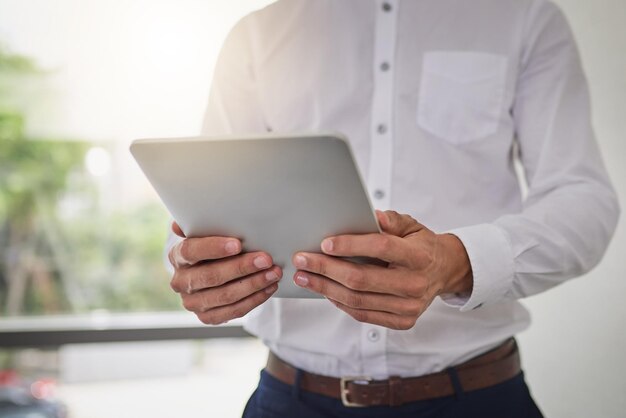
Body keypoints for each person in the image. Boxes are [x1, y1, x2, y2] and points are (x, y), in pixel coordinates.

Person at [166, 0, 620, 416]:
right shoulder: (256, 36)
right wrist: (201, 265)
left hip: (480, 400)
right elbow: (206, 205)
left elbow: (584, 199)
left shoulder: (525, 16)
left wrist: (457, 262)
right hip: (290, 401)